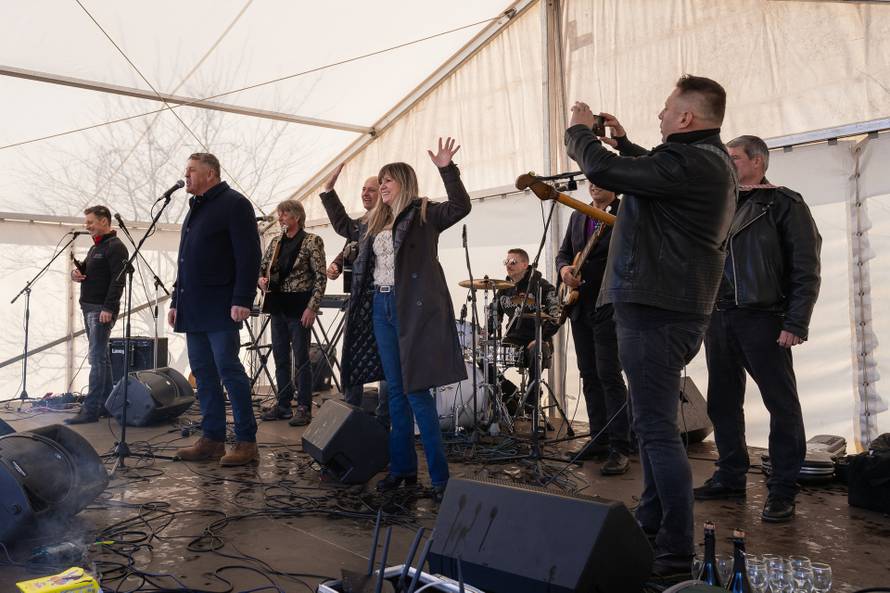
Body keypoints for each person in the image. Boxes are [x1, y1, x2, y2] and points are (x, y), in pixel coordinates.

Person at [564, 75, 737, 575]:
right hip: (669, 308)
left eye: (666, 109)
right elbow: (655, 174)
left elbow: (602, 169)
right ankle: (653, 522)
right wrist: (626, 144)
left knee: (657, 432)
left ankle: (674, 554)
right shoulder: (704, 160)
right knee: (652, 424)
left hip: (655, 311)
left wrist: (580, 132)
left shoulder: (690, 162)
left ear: (686, 117)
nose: (660, 115)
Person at [321, 137, 469, 501]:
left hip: (411, 310)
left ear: (403, 182)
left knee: (417, 393)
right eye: (381, 180)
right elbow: (343, 226)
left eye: (388, 180)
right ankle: (403, 470)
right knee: (396, 394)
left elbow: (460, 206)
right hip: (380, 307)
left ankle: (441, 479)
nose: (382, 186)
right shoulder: (374, 221)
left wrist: (447, 169)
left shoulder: (424, 213)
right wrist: (327, 192)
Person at [695, 134, 821, 523]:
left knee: (781, 405)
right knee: (722, 402)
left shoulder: (784, 203)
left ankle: (783, 488)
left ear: (757, 162)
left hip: (763, 317)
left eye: (733, 158)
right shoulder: (718, 204)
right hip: (719, 316)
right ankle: (730, 476)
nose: (727, 163)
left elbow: (805, 268)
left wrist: (796, 321)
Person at [169, 152, 262, 467]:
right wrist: (176, 301)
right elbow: (185, 260)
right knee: (203, 374)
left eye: (191, 170)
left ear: (210, 174)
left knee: (229, 371)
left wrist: (243, 298)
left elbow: (249, 255)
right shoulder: (196, 207)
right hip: (193, 306)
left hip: (222, 305)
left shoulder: (235, 204)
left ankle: (246, 441)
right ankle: (212, 439)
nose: (186, 175)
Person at [556, 184, 631, 475]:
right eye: (591, 180)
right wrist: (565, 270)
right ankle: (599, 437)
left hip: (608, 304)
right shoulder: (579, 215)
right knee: (588, 373)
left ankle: (620, 446)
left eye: (600, 180)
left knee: (609, 374)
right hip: (580, 306)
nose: (594, 185)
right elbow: (564, 253)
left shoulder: (624, 213)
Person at [321, 171, 389, 427]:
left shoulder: (389, 221)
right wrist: (337, 264)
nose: (365, 193)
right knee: (353, 356)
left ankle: (384, 420)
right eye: (363, 189)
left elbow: (346, 228)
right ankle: (351, 418)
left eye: (371, 189)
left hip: (383, 301)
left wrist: (329, 193)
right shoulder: (363, 223)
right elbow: (350, 243)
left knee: (386, 361)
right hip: (360, 302)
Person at [257, 200, 327, 427]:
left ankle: (304, 407)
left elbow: (320, 277)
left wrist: (312, 307)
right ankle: (284, 404)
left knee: (302, 359)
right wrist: (261, 280)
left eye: (284, 214)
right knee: (280, 357)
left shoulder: (311, 241)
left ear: (297, 217)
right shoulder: (276, 242)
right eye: (280, 214)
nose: (280, 218)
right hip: (277, 305)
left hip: (299, 307)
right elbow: (263, 268)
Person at [66, 205, 128, 425]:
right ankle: (107, 405)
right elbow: (86, 270)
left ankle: (90, 410)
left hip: (101, 309)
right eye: (87, 222)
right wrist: (76, 273)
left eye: (91, 222)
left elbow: (118, 281)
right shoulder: (96, 247)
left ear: (104, 221)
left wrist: (108, 308)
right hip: (89, 307)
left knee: (96, 359)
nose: (87, 226)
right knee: (102, 358)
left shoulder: (116, 247)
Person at [494, 248, 560, 416]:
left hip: (537, 339)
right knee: (483, 357)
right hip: (512, 340)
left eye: (513, 262)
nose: (508, 265)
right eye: (506, 262)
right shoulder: (503, 288)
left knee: (537, 350)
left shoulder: (543, 287)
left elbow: (556, 316)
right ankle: (511, 394)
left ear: (525, 264)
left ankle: (531, 402)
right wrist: (486, 333)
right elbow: (494, 314)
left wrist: (541, 337)